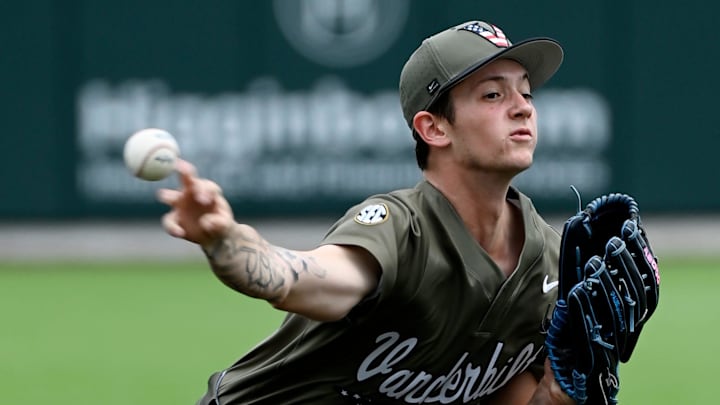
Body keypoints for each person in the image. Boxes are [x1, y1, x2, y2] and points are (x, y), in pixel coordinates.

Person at [158, 20, 574, 405]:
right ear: (434, 128)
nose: (523, 108)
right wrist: (224, 240)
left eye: (526, 92)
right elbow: (296, 279)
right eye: (493, 94)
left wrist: (557, 394)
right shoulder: (401, 229)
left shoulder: (551, 264)